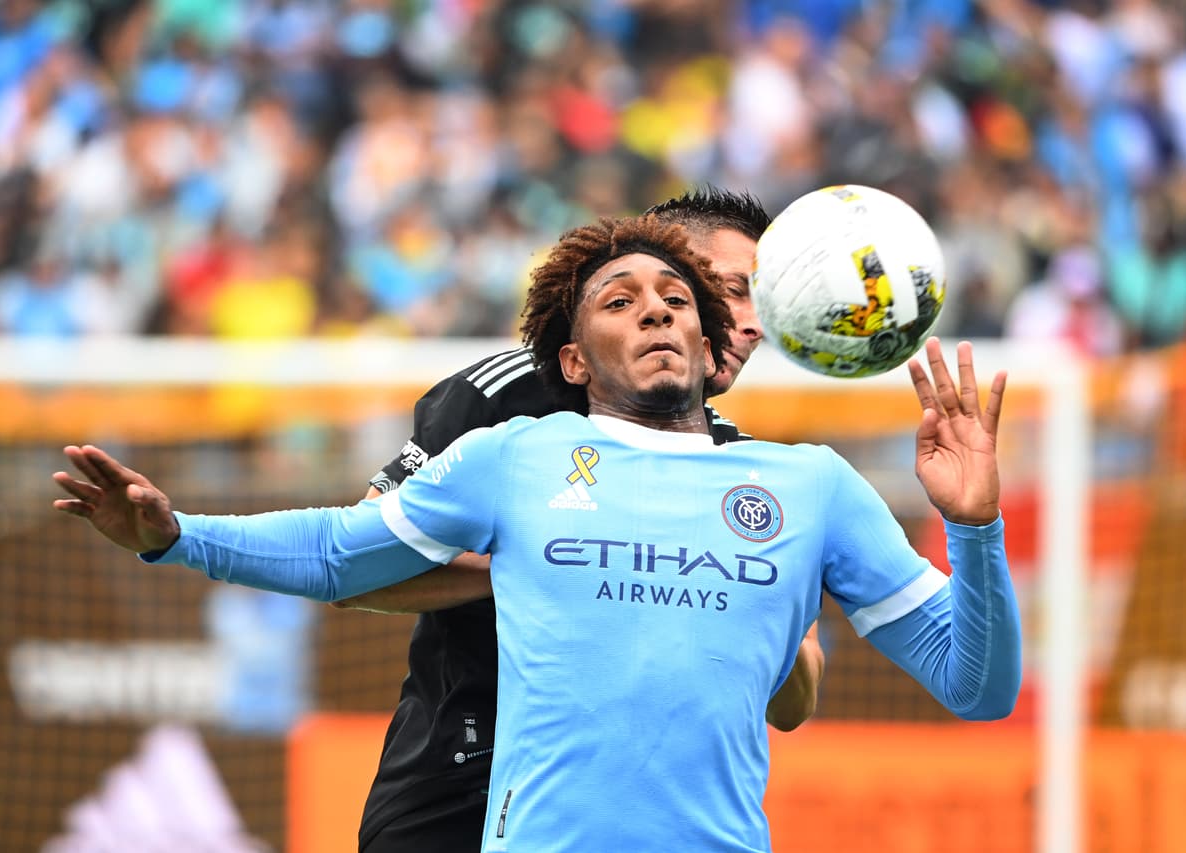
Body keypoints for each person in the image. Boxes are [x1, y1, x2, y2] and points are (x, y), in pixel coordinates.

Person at [54, 214, 1021, 853]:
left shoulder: (809, 484)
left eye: (678, 301)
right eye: (620, 300)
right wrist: (174, 535)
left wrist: (974, 527)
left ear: (711, 342)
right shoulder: (516, 454)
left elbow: (978, 686)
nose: (656, 308)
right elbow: (339, 549)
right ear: (572, 355)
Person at [332, 187, 824, 852]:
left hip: (631, 812)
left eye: (761, 302)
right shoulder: (508, 394)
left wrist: (768, 603)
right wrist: (544, 557)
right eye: (735, 289)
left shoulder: (746, 472)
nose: (753, 322)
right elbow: (359, 567)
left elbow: (793, 706)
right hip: (458, 788)